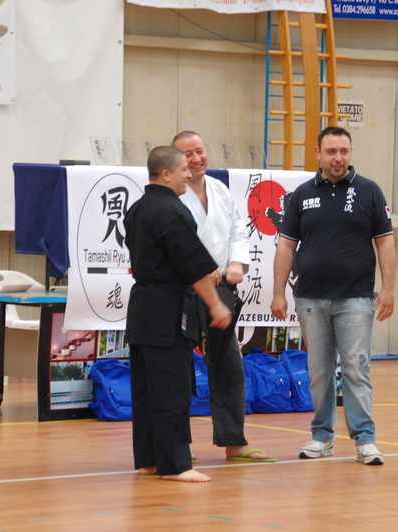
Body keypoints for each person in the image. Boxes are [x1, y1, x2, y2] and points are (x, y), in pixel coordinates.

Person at [270, 126, 396, 466]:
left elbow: (385, 242)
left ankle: (365, 440)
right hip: (310, 298)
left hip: (356, 298)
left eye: (343, 151)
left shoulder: (370, 191)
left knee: (356, 367)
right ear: (318, 153)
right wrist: (278, 293)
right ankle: (322, 436)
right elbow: (286, 246)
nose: (338, 158)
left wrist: (387, 289)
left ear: (350, 152)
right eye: (331, 152)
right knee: (319, 371)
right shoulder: (301, 194)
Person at [124, 145, 232, 483]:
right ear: (166, 174)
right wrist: (215, 304)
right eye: (184, 169)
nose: (189, 173)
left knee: (145, 389)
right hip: (168, 309)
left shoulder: (138, 209)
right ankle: (175, 465)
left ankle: (149, 460)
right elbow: (193, 266)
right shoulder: (172, 210)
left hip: (142, 308)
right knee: (172, 386)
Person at [172, 131, 276, 463]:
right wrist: (204, 269)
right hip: (184, 290)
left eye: (199, 151)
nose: (196, 159)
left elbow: (237, 231)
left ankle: (234, 441)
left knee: (229, 365)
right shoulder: (172, 196)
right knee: (180, 370)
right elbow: (177, 244)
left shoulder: (219, 189)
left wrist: (235, 263)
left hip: (219, 290)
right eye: (187, 154)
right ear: (175, 161)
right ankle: (178, 446)